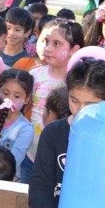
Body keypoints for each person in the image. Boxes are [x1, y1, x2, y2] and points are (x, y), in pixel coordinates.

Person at [25, 52, 105, 208]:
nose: (79, 111)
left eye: (91, 105)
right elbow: (41, 179)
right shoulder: (54, 132)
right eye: (74, 100)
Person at [25, 19, 84, 183]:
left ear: (74, 50)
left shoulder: (78, 84)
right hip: (30, 154)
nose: (48, 48)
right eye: (46, 42)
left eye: (57, 44)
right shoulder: (35, 74)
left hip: (60, 157)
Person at [0, 69, 35, 181]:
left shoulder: (25, 129)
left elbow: (14, 161)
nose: (9, 99)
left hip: (6, 180)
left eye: (17, 96)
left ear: (26, 99)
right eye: (5, 93)